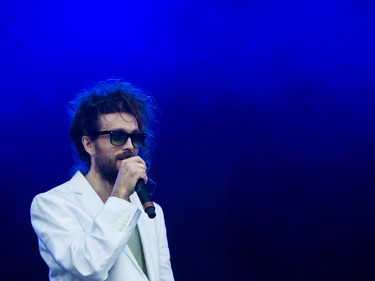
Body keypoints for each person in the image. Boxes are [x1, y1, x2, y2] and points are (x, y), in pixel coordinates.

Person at [30, 79, 174, 281]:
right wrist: (120, 193)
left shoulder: (152, 210)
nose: (129, 146)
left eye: (136, 137)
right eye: (118, 136)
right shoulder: (52, 204)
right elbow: (88, 268)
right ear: (89, 144)